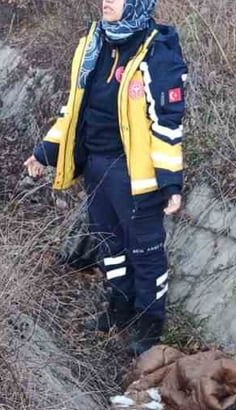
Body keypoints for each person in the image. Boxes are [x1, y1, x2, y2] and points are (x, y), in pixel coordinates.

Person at [25, 0, 187, 357]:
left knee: (145, 252)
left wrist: (170, 182)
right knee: (108, 244)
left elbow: (167, 124)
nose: (107, 1)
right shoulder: (94, 43)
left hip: (136, 175)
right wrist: (45, 152)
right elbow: (74, 109)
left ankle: (149, 324)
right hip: (96, 166)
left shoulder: (157, 52)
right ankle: (120, 308)